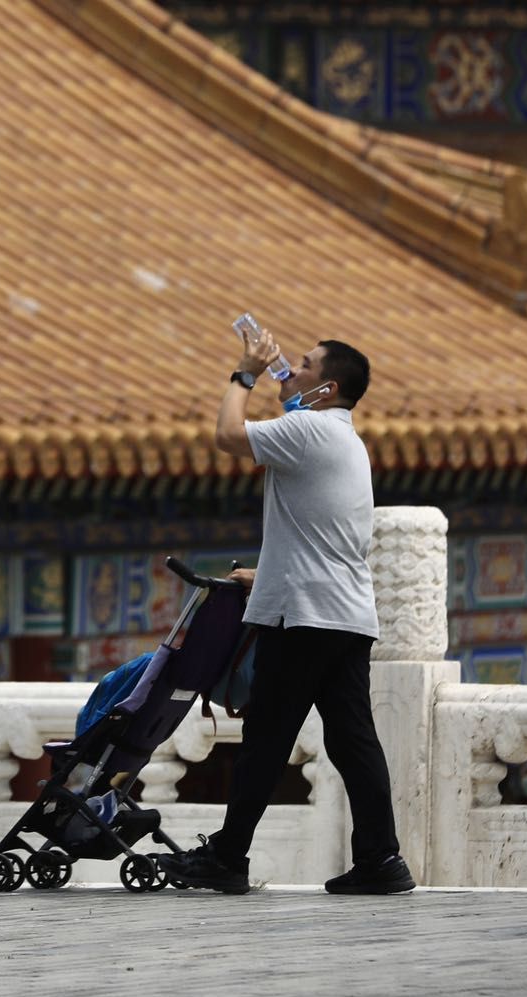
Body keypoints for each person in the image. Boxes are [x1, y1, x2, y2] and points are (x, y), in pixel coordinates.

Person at [160, 328, 415, 895]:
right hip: (344, 616)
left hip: (304, 618)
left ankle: (228, 857)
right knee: (352, 740)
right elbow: (321, 534)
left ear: (325, 389)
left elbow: (228, 435)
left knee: (267, 737)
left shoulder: (307, 428)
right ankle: (381, 859)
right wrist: (265, 574)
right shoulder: (344, 439)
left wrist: (244, 373)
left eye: (303, 366)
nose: (289, 370)